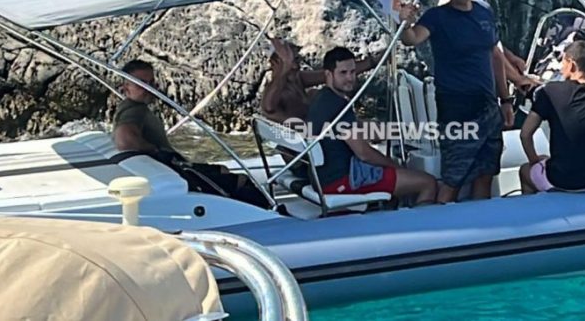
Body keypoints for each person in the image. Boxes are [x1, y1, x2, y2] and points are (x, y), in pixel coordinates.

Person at [399, 0, 512, 203]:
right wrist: (404, 22)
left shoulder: (485, 12)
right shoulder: (437, 17)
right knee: (453, 178)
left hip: (489, 106)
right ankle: (441, 222)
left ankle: (481, 221)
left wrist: (506, 100)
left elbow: (495, 55)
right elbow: (412, 38)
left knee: (486, 173)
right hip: (457, 109)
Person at [112, 59, 270, 208]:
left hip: (172, 167)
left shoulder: (131, 107)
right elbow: (124, 140)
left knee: (222, 169)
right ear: (126, 88)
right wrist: (155, 150)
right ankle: (270, 213)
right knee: (241, 181)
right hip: (175, 170)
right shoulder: (134, 110)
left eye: (152, 83)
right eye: (141, 84)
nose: (149, 88)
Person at [307, 47, 437, 204]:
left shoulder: (322, 98)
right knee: (428, 183)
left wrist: (396, 130)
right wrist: (395, 166)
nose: (350, 78)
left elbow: (354, 129)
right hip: (343, 180)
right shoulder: (339, 106)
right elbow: (364, 153)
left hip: (323, 177)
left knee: (401, 176)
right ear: (328, 74)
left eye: (353, 72)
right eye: (343, 73)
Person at [438, 0, 538, 99]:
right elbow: (489, 51)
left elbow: (491, 42)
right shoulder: (460, 2)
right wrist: (519, 82)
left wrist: (511, 58)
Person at [518, 41, 585, 194]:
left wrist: (534, 161)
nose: (561, 67)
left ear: (571, 64)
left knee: (525, 171)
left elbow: (525, 135)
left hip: (564, 181)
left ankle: (536, 207)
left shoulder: (549, 92)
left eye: (563, 62)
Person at [261, 38, 381, 123]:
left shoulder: (297, 78)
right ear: (276, 61)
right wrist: (286, 66)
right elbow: (268, 107)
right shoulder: (275, 91)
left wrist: (375, 61)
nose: (299, 60)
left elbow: (335, 73)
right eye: (293, 57)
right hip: (308, 144)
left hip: (322, 131)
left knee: (317, 94)